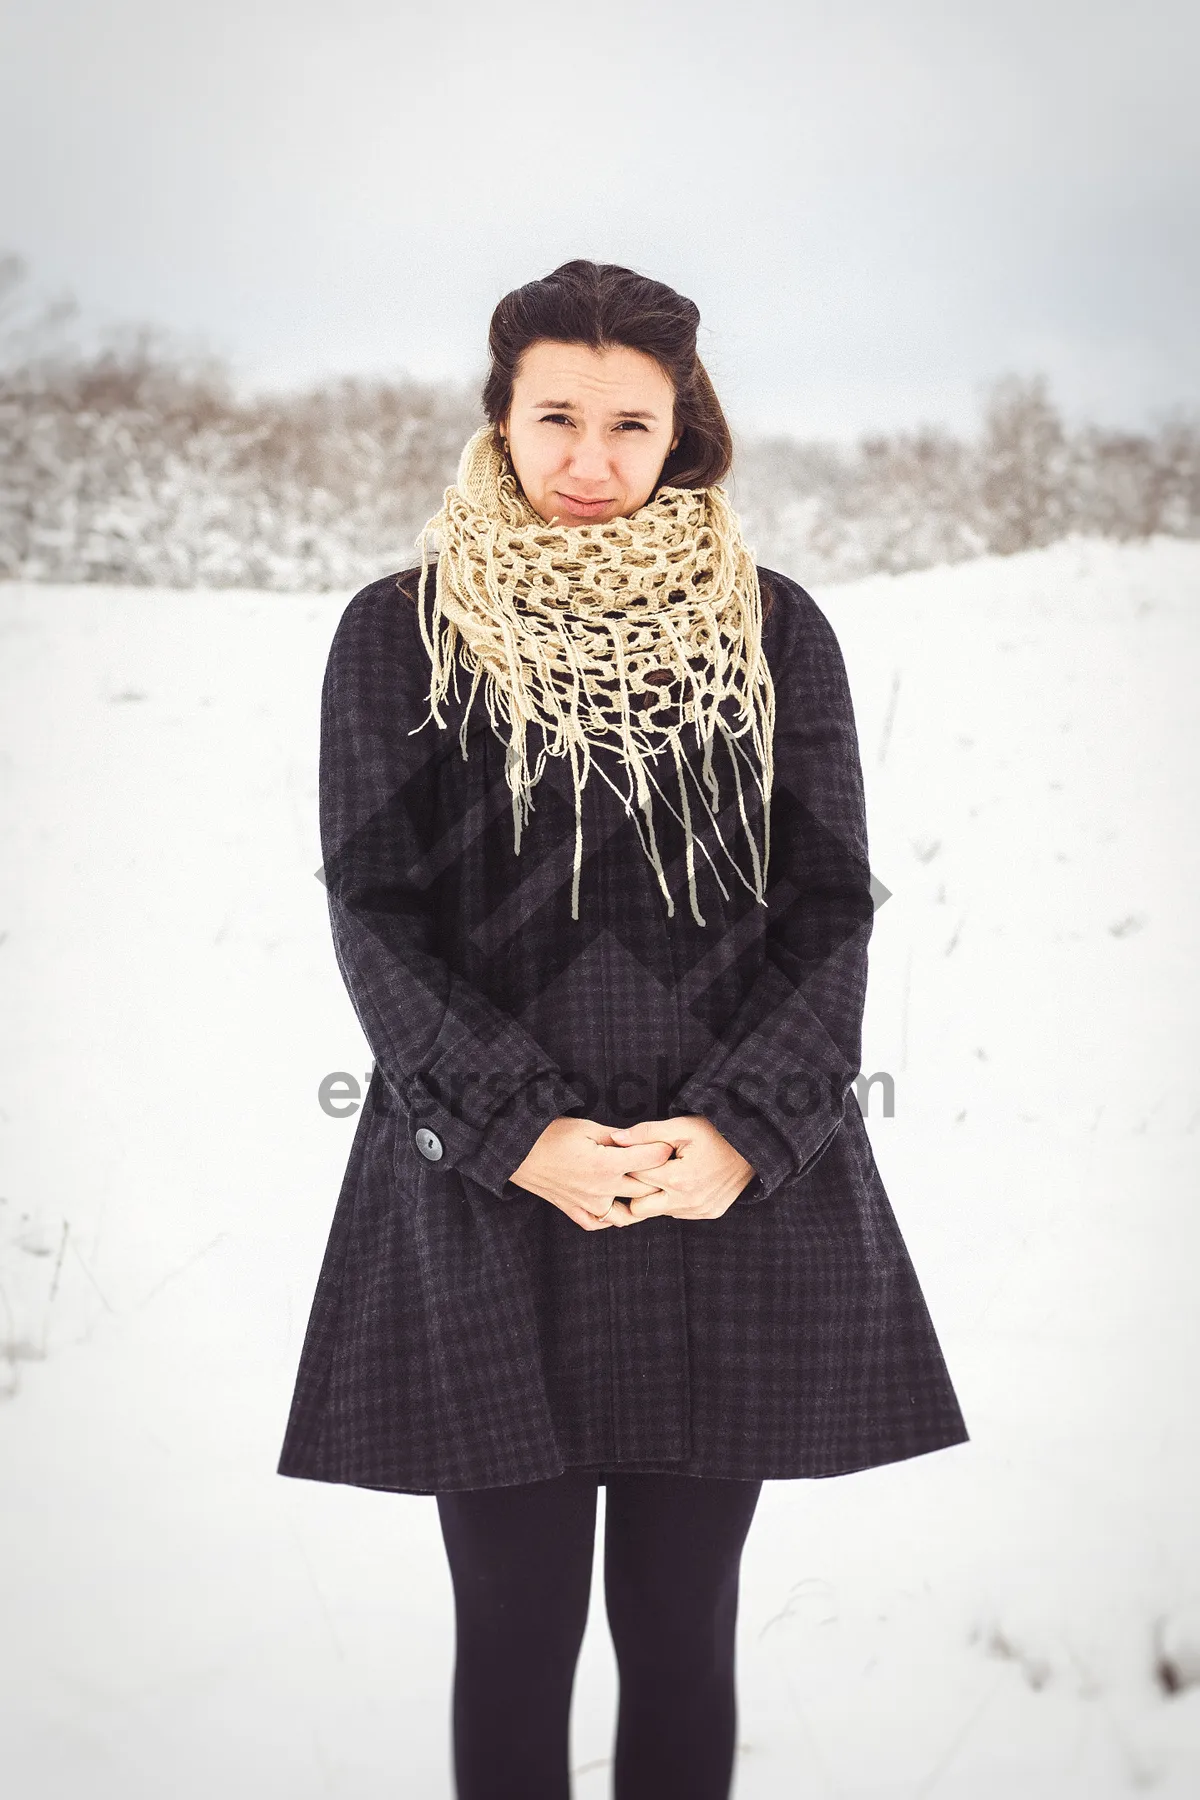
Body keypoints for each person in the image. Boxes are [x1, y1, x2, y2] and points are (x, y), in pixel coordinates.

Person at [278, 259, 969, 1800]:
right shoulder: (400, 634)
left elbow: (831, 902)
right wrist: (521, 1135)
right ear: (502, 419)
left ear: (683, 433)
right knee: (512, 1645)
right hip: (486, 1197)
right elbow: (374, 912)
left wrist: (747, 1131)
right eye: (558, 417)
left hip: (716, 1197)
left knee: (681, 1633)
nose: (591, 461)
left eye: (630, 425)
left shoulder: (774, 632)